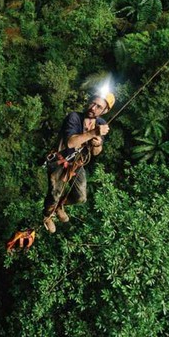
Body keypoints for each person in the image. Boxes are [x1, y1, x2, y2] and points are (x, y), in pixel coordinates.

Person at [43, 92, 115, 233]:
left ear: (104, 111)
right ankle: (47, 216)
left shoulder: (101, 124)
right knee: (54, 193)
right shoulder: (74, 117)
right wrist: (93, 133)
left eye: (98, 106)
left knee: (80, 197)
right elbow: (70, 143)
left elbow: (95, 153)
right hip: (59, 160)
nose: (93, 108)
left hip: (76, 163)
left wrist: (98, 143)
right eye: (92, 103)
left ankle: (60, 206)